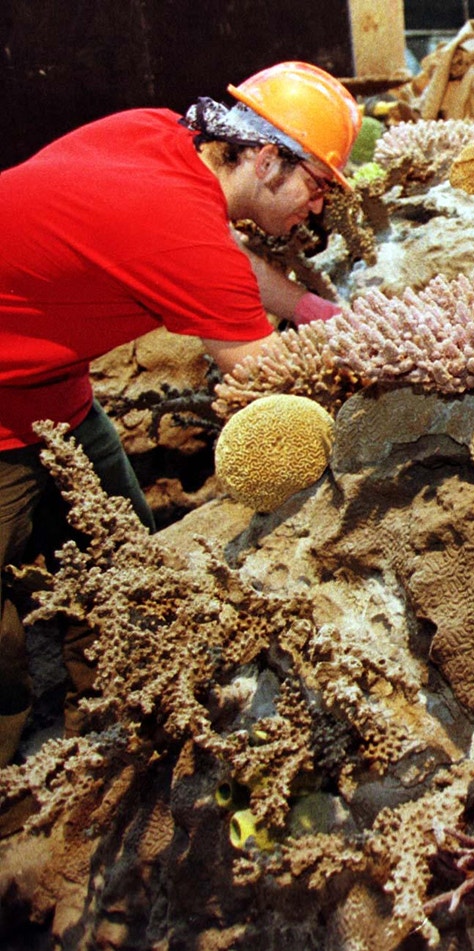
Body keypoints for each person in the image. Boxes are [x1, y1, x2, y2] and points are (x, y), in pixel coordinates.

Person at [0, 61, 361, 764]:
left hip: (57, 396)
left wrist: (311, 308)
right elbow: (266, 375)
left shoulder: (160, 135)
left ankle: (119, 724)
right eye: (317, 185)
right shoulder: (174, 225)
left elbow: (219, 253)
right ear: (266, 160)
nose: (318, 208)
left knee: (129, 574)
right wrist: (374, 371)